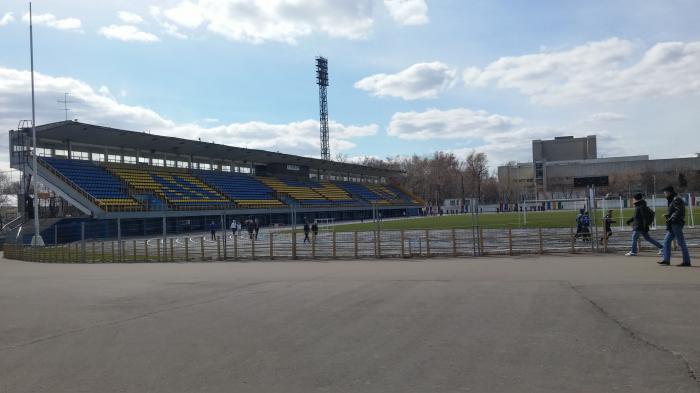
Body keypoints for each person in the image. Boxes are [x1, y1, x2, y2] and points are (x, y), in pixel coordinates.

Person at [659, 186, 691, 266]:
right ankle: (666, 260)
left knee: (681, 242)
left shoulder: (676, 199)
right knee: (666, 241)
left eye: (665, 192)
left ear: (669, 192)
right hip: (673, 223)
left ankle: (686, 261)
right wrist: (668, 215)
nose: (664, 194)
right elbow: (675, 211)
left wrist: (670, 218)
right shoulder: (673, 198)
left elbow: (679, 211)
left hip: (676, 223)